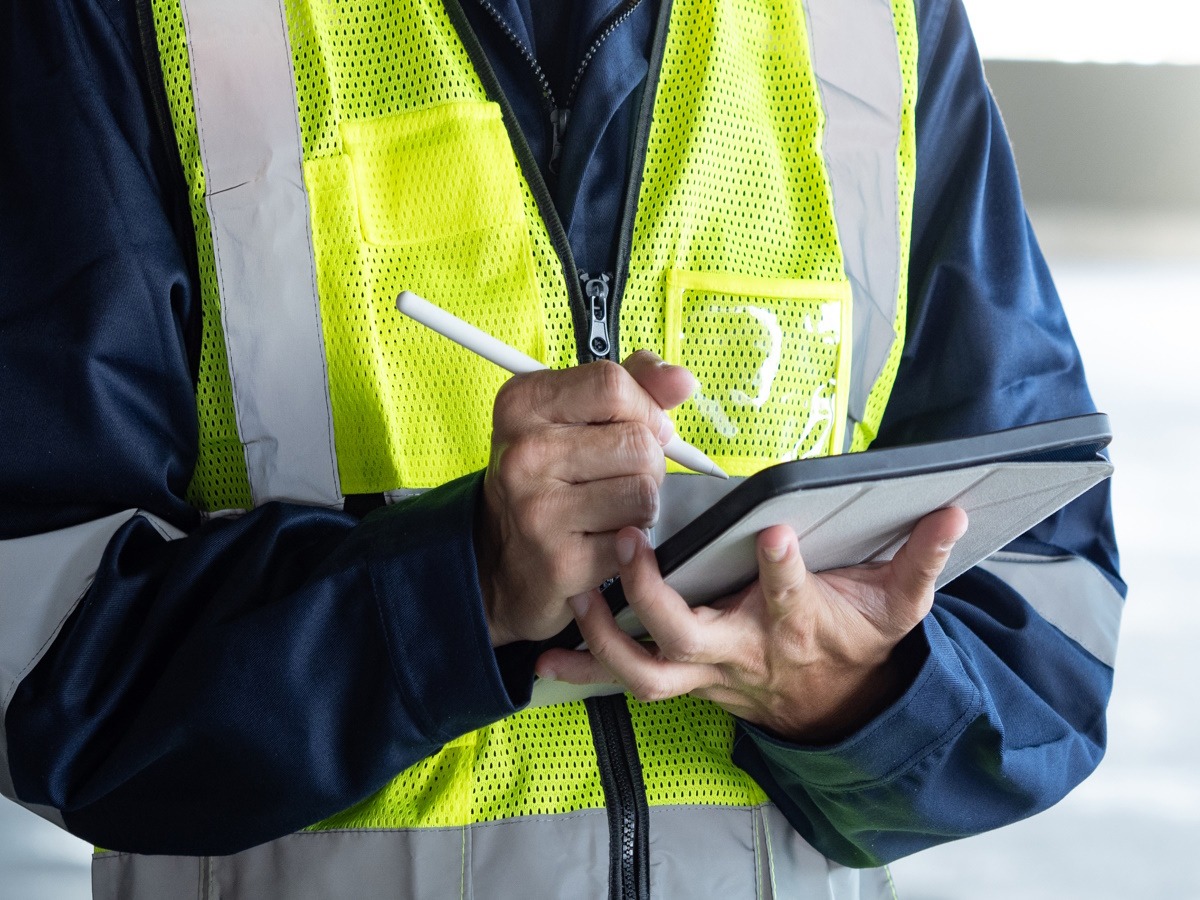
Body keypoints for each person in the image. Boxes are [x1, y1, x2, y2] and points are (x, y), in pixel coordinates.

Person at [0, 0, 1124, 897]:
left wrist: (850, 693)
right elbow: (41, 681)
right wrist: (463, 587)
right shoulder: (135, 21)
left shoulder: (877, 21)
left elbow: (1053, 624)